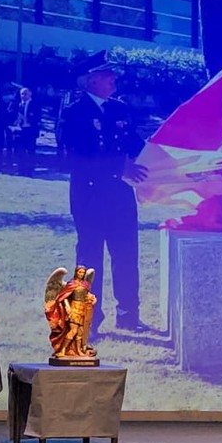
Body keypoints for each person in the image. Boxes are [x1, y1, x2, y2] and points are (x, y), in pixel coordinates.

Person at [56, 56, 148, 333]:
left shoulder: (119, 109)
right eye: (109, 75)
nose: (114, 80)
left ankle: (129, 314)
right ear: (92, 79)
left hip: (120, 196)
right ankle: (88, 319)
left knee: (126, 255)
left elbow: (136, 145)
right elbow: (76, 156)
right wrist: (121, 167)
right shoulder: (74, 112)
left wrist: (165, 152)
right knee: (90, 258)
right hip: (90, 196)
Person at [7, 85, 40, 175]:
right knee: (19, 150)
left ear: (30, 94)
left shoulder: (35, 104)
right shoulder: (16, 104)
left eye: (25, 94)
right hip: (19, 130)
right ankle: (20, 169)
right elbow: (10, 115)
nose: (23, 96)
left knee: (30, 151)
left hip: (29, 130)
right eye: (22, 94)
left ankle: (29, 170)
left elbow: (37, 117)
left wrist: (28, 119)